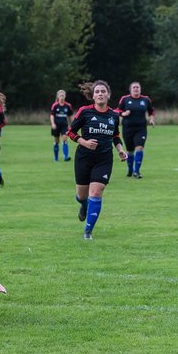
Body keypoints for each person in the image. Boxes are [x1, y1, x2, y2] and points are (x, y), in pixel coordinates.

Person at [67, 81, 128, 240]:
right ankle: (83, 205)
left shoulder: (114, 115)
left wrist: (121, 150)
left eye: (103, 91)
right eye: (97, 92)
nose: (100, 94)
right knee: (81, 195)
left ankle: (88, 231)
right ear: (93, 96)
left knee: (96, 191)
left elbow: (115, 136)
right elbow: (71, 132)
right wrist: (85, 142)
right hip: (84, 158)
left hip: (104, 159)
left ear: (108, 95)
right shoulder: (85, 111)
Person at [116, 81, 154, 178]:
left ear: (140, 89)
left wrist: (151, 119)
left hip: (141, 128)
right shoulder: (125, 99)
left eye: (138, 87)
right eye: (134, 87)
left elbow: (151, 110)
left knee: (139, 147)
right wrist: (123, 114)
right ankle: (130, 170)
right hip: (127, 128)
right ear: (130, 89)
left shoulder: (145, 99)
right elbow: (118, 110)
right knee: (130, 151)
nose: (136, 89)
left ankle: (136, 171)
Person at [48, 90, 73, 162]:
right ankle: (56, 158)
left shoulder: (68, 105)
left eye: (63, 95)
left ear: (65, 96)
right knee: (56, 141)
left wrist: (72, 125)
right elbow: (52, 115)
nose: (62, 97)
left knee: (65, 139)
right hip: (56, 126)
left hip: (64, 126)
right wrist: (53, 124)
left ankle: (66, 157)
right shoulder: (55, 105)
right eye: (60, 96)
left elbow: (70, 116)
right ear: (58, 96)